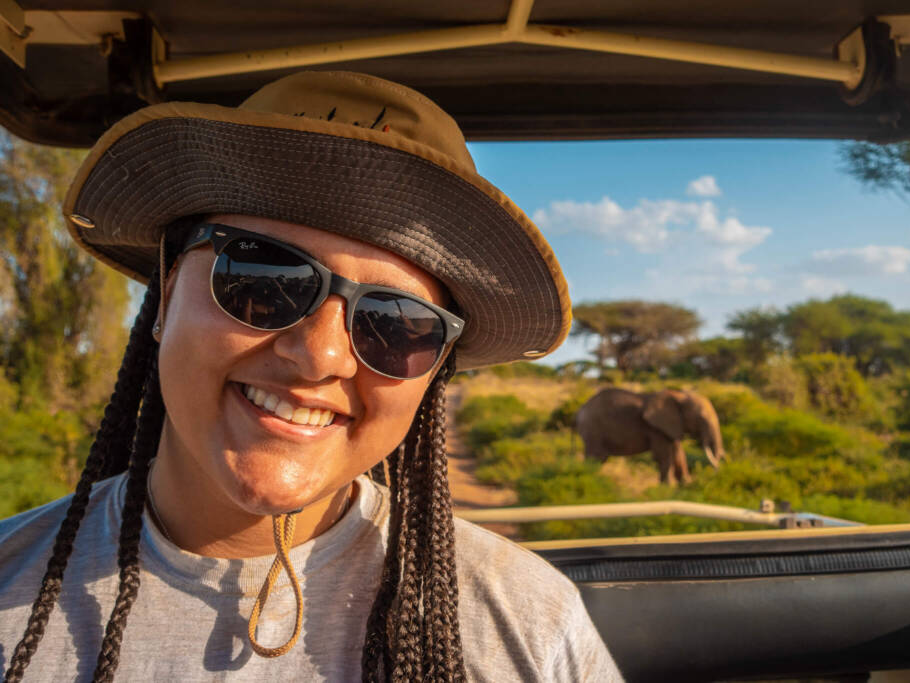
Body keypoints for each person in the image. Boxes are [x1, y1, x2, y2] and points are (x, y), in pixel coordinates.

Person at [0, 71, 622, 682]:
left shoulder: (530, 628)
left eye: (398, 324)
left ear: (431, 375)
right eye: (264, 281)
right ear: (166, 297)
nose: (321, 356)